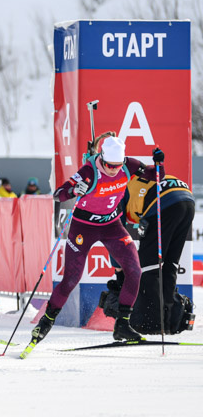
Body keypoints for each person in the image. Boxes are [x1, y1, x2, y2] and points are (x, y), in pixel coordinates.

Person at [27, 137, 161, 350]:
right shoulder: (88, 172)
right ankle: (46, 323)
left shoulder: (129, 165)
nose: (113, 170)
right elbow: (58, 195)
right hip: (83, 228)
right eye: (109, 165)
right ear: (101, 158)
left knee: (135, 270)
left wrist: (159, 163)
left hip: (112, 226)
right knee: (71, 279)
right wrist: (73, 191)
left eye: (117, 166)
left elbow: (157, 176)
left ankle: (122, 325)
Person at [104, 165, 196, 335]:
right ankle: (168, 322)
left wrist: (118, 270)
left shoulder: (115, 192)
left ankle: (150, 324)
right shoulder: (131, 181)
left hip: (163, 202)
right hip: (186, 199)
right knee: (170, 265)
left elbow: (116, 233)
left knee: (148, 268)